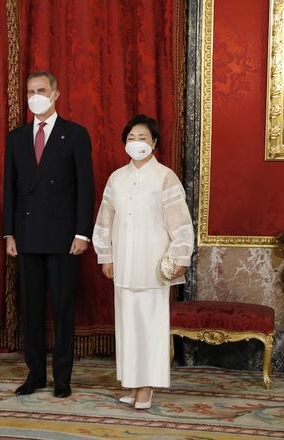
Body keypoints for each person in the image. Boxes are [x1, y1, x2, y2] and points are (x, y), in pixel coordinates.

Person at [3, 71, 94, 398]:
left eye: (41, 90)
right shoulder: (16, 138)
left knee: (63, 306)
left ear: (56, 93)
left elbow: (86, 188)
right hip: (27, 237)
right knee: (32, 309)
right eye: (30, 91)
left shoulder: (75, 134)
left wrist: (83, 233)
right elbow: (10, 190)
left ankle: (63, 377)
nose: (35, 96)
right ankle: (36, 374)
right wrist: (9, 233)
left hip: (64, 238)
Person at [92, 115, 193, 409]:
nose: (137, 143)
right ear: (125, 143)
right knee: (127, 325)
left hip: (153, 265)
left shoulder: (165, 177)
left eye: (143, 138)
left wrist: (181, 256)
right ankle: (132, 384)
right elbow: (104, 220)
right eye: (131, 138)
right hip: (124, 263)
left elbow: (181, 224)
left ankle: (147, 387)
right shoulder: (116, 178)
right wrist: (106, 256)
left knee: (150, 325)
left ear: (154, 143)